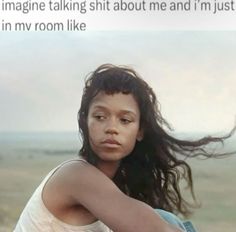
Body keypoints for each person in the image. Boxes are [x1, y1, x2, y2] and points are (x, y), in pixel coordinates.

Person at [14, 64, 235, 232]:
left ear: (140, 130)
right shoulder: (76, 175)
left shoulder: (115, 188)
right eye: (100, 117)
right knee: (166, 221)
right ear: (85, 121)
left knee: (162, 217)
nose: (111, 128)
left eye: (125, 120)